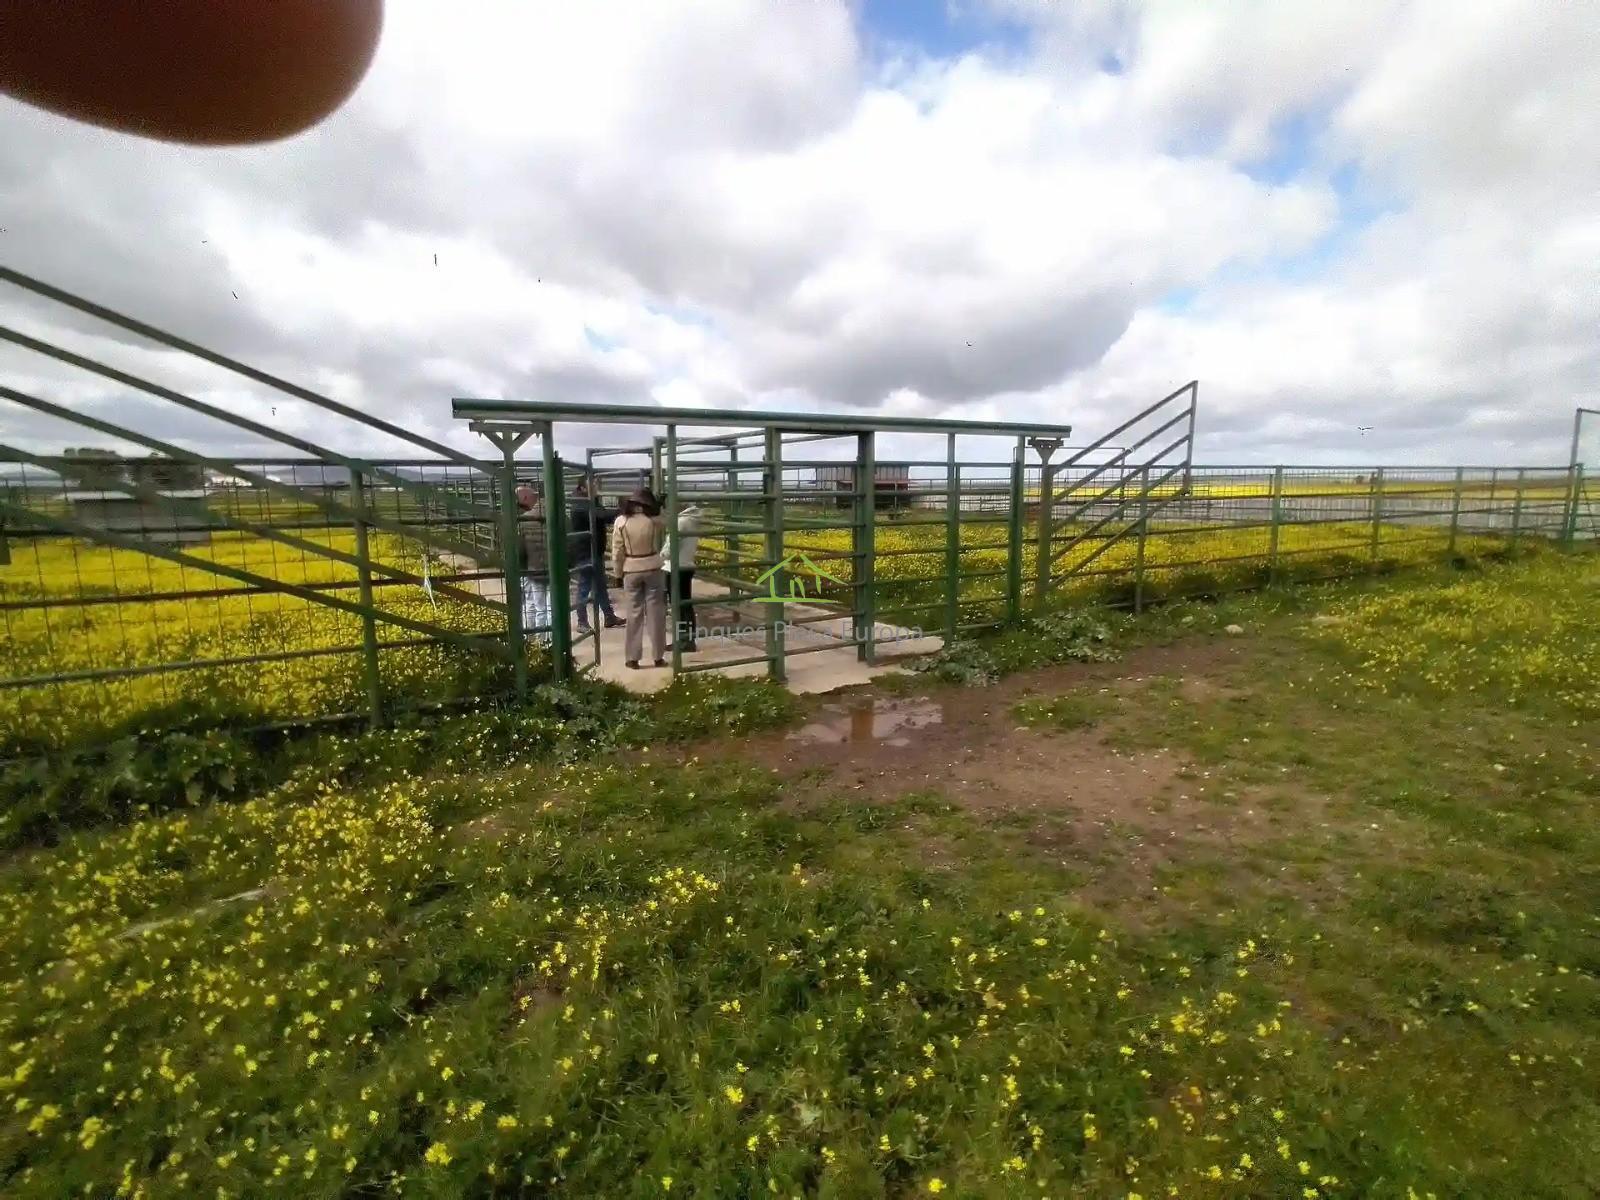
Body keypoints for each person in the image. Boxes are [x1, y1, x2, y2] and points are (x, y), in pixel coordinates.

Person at [610, 487, 666, 669]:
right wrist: (659, 506)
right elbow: (667, 520)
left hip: (631, 569)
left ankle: (632, 658)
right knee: (656, 613)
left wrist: (617, 574)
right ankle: (658, 656)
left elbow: (617, 552)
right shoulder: (653, 520)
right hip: (652, 567)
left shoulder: (621, 521)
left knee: (634, 614)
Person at [569, 478, 623, 634]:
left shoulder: (588, 500)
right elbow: (601, 516)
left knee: (600, 586)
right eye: (593, 484)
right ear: (583, 487)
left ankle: (609, 616)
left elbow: (601, 515)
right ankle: (582, 621)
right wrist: (624, 510)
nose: (597, 487)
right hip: (586, 551)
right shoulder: (581, 502)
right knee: (584, 587)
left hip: (594, 550)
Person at [662, 503, 703, 653]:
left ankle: (683, 640)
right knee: (686, 605)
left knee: (678, 606)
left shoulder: (681, 522)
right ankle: (688, 639)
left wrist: (661, 556)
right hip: (686, 565)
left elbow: (670, 547)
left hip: (675, 567)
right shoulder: (692, 520)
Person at [515, 483, 551, 645]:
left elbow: (520, 549)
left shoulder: (524, 520)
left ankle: (532, 639)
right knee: (550, 607)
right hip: (552, 569)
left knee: (536, 606)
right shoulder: (555, 516)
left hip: (532, 568)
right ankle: (549, 642)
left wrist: (523, 566)